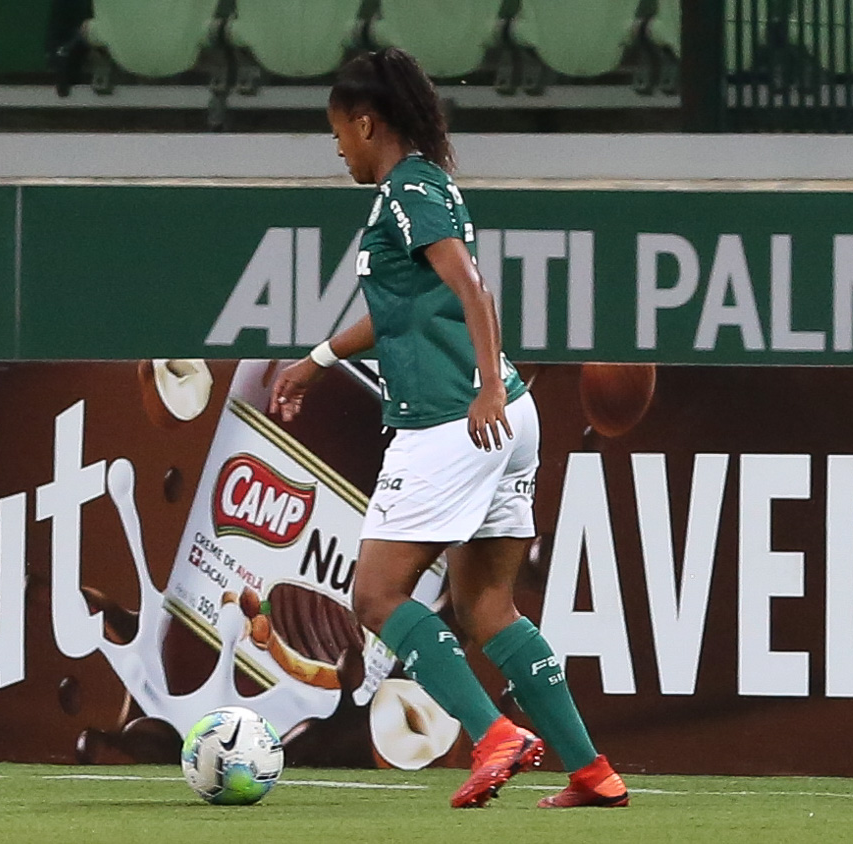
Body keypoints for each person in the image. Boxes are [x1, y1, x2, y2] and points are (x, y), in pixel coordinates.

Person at [269, 48, 628, 810]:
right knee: (487, 607)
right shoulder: (425, 187)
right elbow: (406, 309)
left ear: (367, 122)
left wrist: (487, 384)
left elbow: (472, 287)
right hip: (501, 421)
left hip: (452, 422)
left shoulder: (408, 193)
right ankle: (592, 773)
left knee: (374, 597)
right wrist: (319, 358)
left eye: (339, 133)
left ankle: (493, 734)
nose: (338, 148)